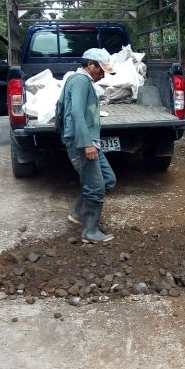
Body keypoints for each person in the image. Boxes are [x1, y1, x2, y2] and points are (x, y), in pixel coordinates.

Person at [57, 48, 116, 243]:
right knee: (96, 187)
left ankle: (78, 212)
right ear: (90, 64)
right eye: (101, 71)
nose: (102, 76)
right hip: (82, 142)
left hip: (91, 141)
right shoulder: (80, 81)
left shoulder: (82, 81)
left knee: (107, 179)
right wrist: (86, 143)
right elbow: (76, 114)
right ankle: (90, 232)